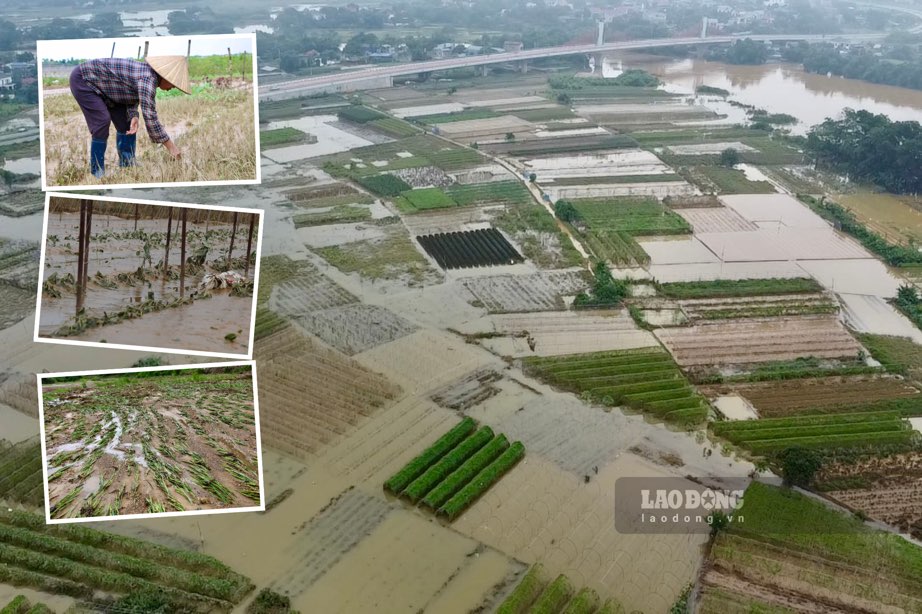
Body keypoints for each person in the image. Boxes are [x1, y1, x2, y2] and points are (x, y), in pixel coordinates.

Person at [69, 55, 190, 178]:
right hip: (84, 80)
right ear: (165, 77)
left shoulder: (147, 76)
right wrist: (171, 147)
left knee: (126, 122)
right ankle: (97, 172)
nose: (173, 87)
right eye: (173, 83)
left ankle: (127, 164)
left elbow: (129, 93)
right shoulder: (148, 78)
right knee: (102, 121)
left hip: (109, 89)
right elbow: (150, 117)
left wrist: (134, 116)